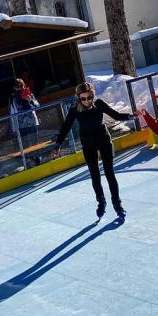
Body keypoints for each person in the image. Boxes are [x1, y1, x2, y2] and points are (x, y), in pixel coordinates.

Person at [52, 81, 136, 220]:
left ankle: (118, 205)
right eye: (83, 98)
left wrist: (132, 115)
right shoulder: (75, 109)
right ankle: (101, 202)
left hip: (104, 141)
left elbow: (115, 115)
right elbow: (66, 127)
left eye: (89, 97)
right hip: (88, 145)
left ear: (93, 95)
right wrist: (58, 145)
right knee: (95, 175)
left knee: (110, 173)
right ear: (79, 98)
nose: (86, 101)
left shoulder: (99, 104)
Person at [9, 78, 40, 164]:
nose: (20, 88)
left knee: (35, 142)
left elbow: (38, 106)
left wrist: (30, 100)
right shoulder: (13, 98)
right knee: (25, 145)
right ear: (15, 87)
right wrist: (14, 128)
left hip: (32, 121)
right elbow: (12, 113)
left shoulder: (29, 93)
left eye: (21, 86)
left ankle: (37, 160)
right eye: (17, 86)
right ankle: (29, 162)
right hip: (21, 124)